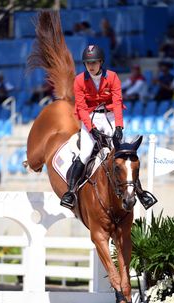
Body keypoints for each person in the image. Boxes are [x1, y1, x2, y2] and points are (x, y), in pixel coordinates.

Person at [60, 45, 155, 210]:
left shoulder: (112, 77)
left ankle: (140, 192)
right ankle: (71, 192)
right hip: (91, 116)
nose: (91, 66)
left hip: (110, 116)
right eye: (88, 62)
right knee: (85, 154)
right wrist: (92, 129)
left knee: (121, 155)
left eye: (94, 62)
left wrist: (119, 126)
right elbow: (81, 108)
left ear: (101, 62)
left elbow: (117, 102)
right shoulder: (79, 80)